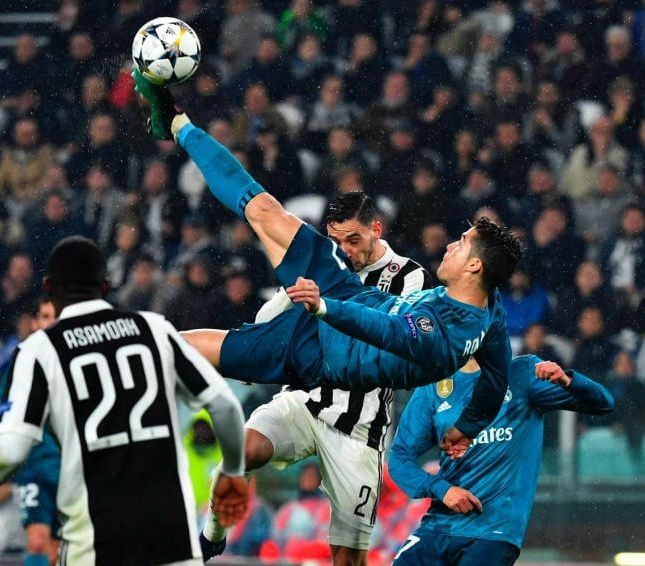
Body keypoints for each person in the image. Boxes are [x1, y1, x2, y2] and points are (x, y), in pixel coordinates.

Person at [132, 68, 522, 450]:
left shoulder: (441, 340)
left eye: (462, 243)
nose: (452, 245)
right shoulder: (490, 308)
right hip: (346, 291)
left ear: (475, 266)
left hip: (320, 353)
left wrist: (323, 307)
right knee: (266, 211)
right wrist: (469, 426)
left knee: (220, 352)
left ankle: (126, 355)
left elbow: (385, 329)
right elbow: (498, 373)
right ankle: (178, 124)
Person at [0, 236, 248, 566]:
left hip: (97, 547)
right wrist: (233, 472)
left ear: (48, 287)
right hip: (171, 544)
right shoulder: (154, 329)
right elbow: (224, 405)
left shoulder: (40, 350)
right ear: (106, 285)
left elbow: (9, 451)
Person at [200, 192, 433, 565]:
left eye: (353, 240)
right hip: (304, 401)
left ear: (376, 229)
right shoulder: (322, 263)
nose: (345, 250)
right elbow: (271, 316)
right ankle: (211, 536)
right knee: (241, 450)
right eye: (336, 240)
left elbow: (399, 337)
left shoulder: (410, 277)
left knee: (347, 559)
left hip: (359, 425)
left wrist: (326, 307)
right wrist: (255, 356)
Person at [389, 355, 614, 565]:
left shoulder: (521, 373)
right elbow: (399, 458)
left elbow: (602, 403)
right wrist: (442, 490)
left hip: (492, 532)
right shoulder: (435, 385)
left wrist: (568, 381)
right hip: (437, 526)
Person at [0, 299, 59, 566]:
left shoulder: (80, 356)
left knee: (63, 543)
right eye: (45, 316)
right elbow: (5, 397)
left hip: (71, 460)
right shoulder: (26, 357)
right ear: (35, 322)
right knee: (38, 540)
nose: (49, 322)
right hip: (36, 461)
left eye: (55, 316)